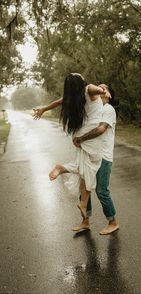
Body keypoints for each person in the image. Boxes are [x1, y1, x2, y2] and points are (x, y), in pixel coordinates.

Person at [33, 80, 119, 235]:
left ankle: (113, 222)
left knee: (101, 190)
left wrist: (81, 139)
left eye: (104, 89)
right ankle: (85, 221)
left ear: (109, 95)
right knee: (84, 186)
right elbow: (65, 99)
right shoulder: (92, 106)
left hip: (104, 155)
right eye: (100, 88)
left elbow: (100, 129)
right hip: (89, 151)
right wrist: (44, 109)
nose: (100, 91)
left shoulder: (108, 109)